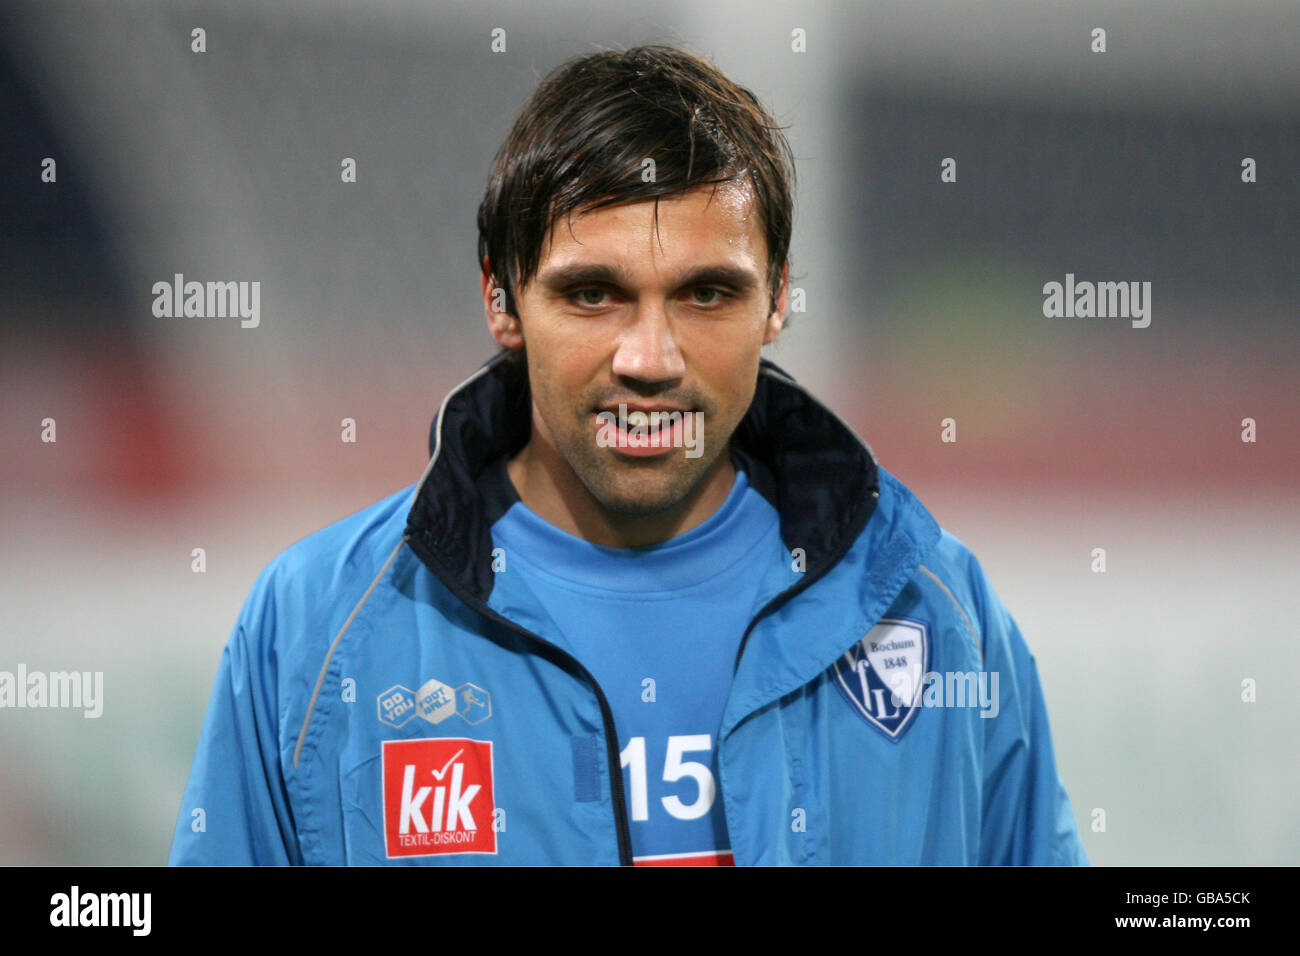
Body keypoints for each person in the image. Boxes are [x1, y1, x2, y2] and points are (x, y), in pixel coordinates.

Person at [168, 44, 1088, 866]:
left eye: (707, 294)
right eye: (594, 294)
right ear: (502, 299)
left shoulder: (933, 607)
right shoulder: (310, 635)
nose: (650, 360)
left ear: (777, 302)